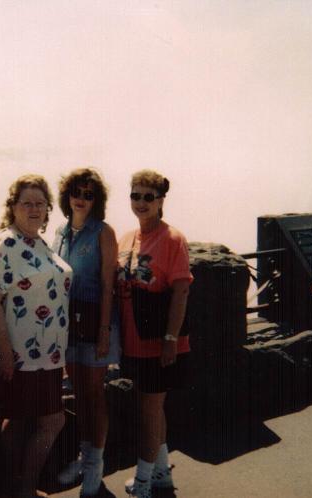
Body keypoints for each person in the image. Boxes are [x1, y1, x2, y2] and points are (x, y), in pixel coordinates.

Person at [0, 175, 73, 498]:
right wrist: (5, 351)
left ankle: (16, 487)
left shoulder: (38, 242)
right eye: (26, 203)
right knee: (50, 421)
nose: (34, 209)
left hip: (47, 354)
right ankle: (23, 488)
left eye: (40, 204)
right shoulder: (6, 244)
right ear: (13, 207)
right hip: (22, 356)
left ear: (48, 209)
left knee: (21, 420)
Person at [116, 170, 192, 498]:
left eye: (149, 196)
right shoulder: (126, 238)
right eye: (136, 195)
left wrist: (171, 340)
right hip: (132, 341)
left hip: (158, 343)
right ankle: (161, 474)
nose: (141, 202)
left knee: (149, 413)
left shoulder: (173, 239)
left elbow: (181, 292)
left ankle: (143, 482)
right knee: (152, 410)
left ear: (161, 201)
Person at [52, 168, 118, 498]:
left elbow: (108, 285)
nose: (81, 199)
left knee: (94, 394)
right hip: (68, 324)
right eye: (76, 192)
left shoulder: (103, 232)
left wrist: (104, 330)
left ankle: (95, 466)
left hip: (94, 320)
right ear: (67, 196)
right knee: (79, 393)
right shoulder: (60, 232)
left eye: (88, 194)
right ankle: (84, 455)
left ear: (97, 200)